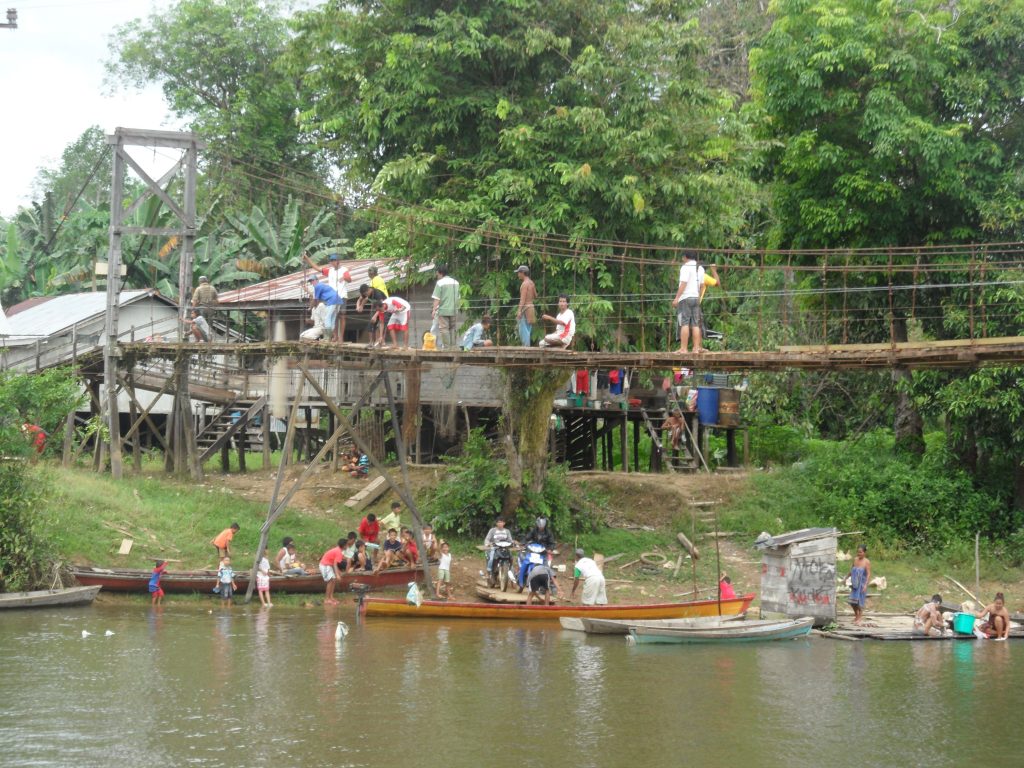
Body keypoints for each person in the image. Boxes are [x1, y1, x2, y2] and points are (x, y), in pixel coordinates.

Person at [672, 254, 719, 353]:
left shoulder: (686, 267)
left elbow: (683, 283)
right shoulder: (700, 270)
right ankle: (696, 348)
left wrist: (677, 298)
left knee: (684, 323)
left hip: (685, 298)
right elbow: (705, 285)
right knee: (696, 325)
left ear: (685, 257)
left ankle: (683, 348)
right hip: (696, 299)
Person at [304, 252, 352, 342]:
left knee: (342, 316)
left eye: (333, 261)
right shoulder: (330, 270)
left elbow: (349, 279)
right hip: (332, 297)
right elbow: (317, 268)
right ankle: (335, 336)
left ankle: (340, 337)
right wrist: (307, 259)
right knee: (334, 317)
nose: (332, 262)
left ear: (338, 261)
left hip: (342, 295)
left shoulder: (344, 270)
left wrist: (344, 278)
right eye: (331, 261)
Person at [304, 275, 344, 342]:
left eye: (312, 281)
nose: (311, 283)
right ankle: (329, 338)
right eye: (310, 281)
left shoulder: (317, 286)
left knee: (327, 318)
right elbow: (316, 298)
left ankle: (327, 338)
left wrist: (310, 308)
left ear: (317, 280)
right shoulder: (322, 285)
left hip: (332, 300)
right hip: (338, 300)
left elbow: (315, 300)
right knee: (332, 319)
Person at [431, 265, 461, 348]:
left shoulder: (440, 283)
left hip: (443, 310)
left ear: (440, 273)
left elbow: (437, 299)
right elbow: (458, 297)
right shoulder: (456, 282)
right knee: (453, 328)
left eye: (437, 273)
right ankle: (453, 346)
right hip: (454, 310)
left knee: (444, 328)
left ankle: (447, 348)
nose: (437, 275)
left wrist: (434, 310)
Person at [319, 538, 347, 605]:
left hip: (328, 565)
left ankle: (331, 597)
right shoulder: (339, 552)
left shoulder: (338, 550)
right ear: (344, 545)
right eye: (347, 545)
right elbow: (335, 564)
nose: (347, 546)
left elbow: (334, 563)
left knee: (333, 580)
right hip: (325, 565)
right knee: (331, 580)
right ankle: (327, 599)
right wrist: (337, 574)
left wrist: (338, 572)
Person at [848, 545, 871, 625]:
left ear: (864, 552)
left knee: (859, 602)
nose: (859, 554)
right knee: (852, 601)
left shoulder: (866, 562)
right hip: (855, 583)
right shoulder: (855, 560)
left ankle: (859, 617)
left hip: (861, 584)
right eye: (858, 552)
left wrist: (865, 585)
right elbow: (851, 570)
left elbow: (868, 574)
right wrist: (846, 578)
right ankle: (856, 615)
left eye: (861, 552)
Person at [515, 265, 537, 347]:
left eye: (519, 273)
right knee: (528, 330)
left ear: (523, 273)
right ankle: (527, 347)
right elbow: (535, 296)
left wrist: (519, 311)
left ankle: (526, 348)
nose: (518, 274)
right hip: (531, 307)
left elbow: (522, 299)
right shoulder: (531, 283)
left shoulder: (524, 284)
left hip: (525, 309)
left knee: (523, 331)